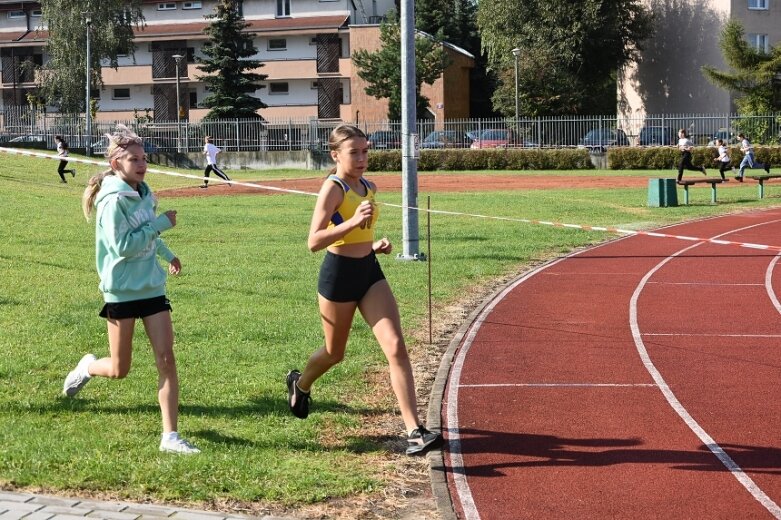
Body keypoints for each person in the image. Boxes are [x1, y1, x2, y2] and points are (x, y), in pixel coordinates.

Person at [286, 124, 442, 456]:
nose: (361, 158)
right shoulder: (333, 188)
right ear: (335, 155)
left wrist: (375, 244)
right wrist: (353, 223)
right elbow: (313, 241)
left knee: (397, 347)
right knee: (334, 354)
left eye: (365, 151)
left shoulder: (369, 186)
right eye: (353, 152)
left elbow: (360, 235)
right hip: (338, 276)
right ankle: (300, 384)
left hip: (369, 272)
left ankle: (415, 430)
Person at [62, 125, 199, 455]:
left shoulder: (143, 192)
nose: (141, 164)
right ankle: (87, 367)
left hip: (152, 287)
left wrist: (169, 255)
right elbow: (123, 246)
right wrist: (161, 223)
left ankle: (170, 436)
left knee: (167, 360)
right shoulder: (111, 202)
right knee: (119, 370)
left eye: (144, 158)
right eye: (133, 159)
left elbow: (148, 234)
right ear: (115, 164)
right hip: (122, 291)